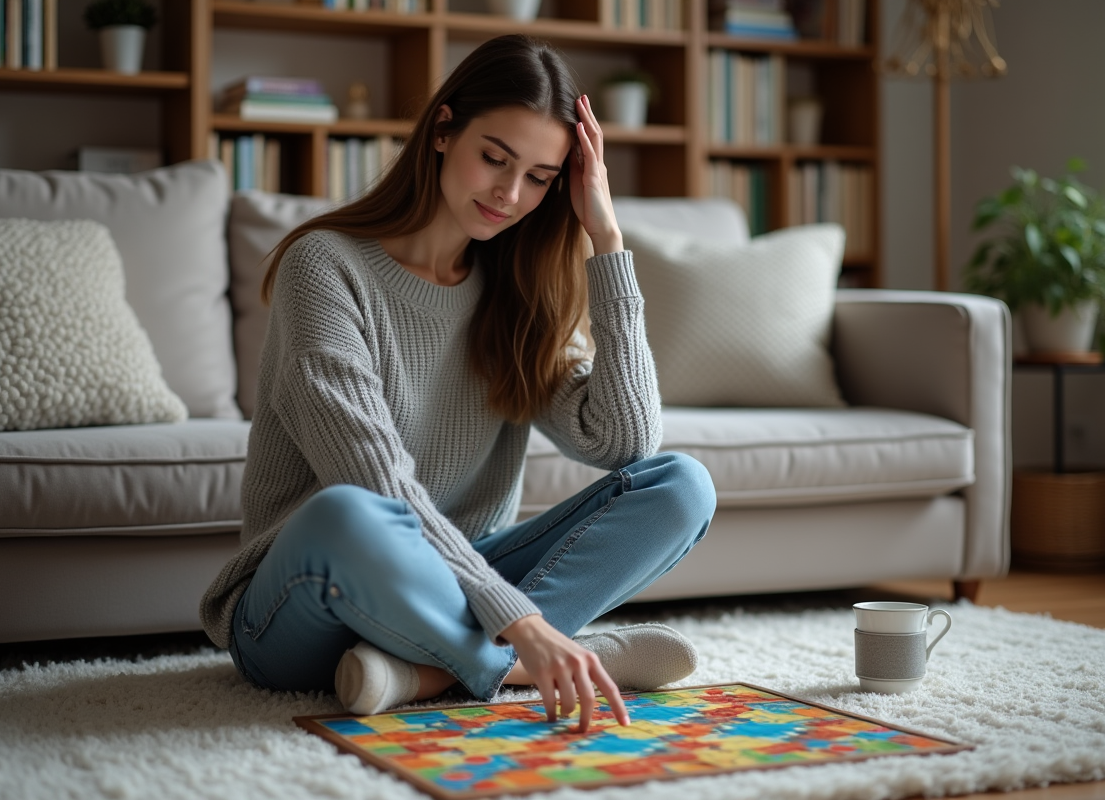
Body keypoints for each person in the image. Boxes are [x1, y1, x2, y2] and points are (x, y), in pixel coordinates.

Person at [199, 33, 717, 732]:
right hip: (303, 603)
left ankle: (425, 673)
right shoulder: (324, 266)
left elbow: (624, 442)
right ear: (443, 131)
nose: (510, 193)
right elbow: (375, 480)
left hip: (456, 586)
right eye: (494, 158)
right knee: (348, 512)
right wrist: (522, 622)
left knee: (682, 485)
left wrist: (607, 242)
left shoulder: (516, 291)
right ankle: (519, 660)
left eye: (540, 177)